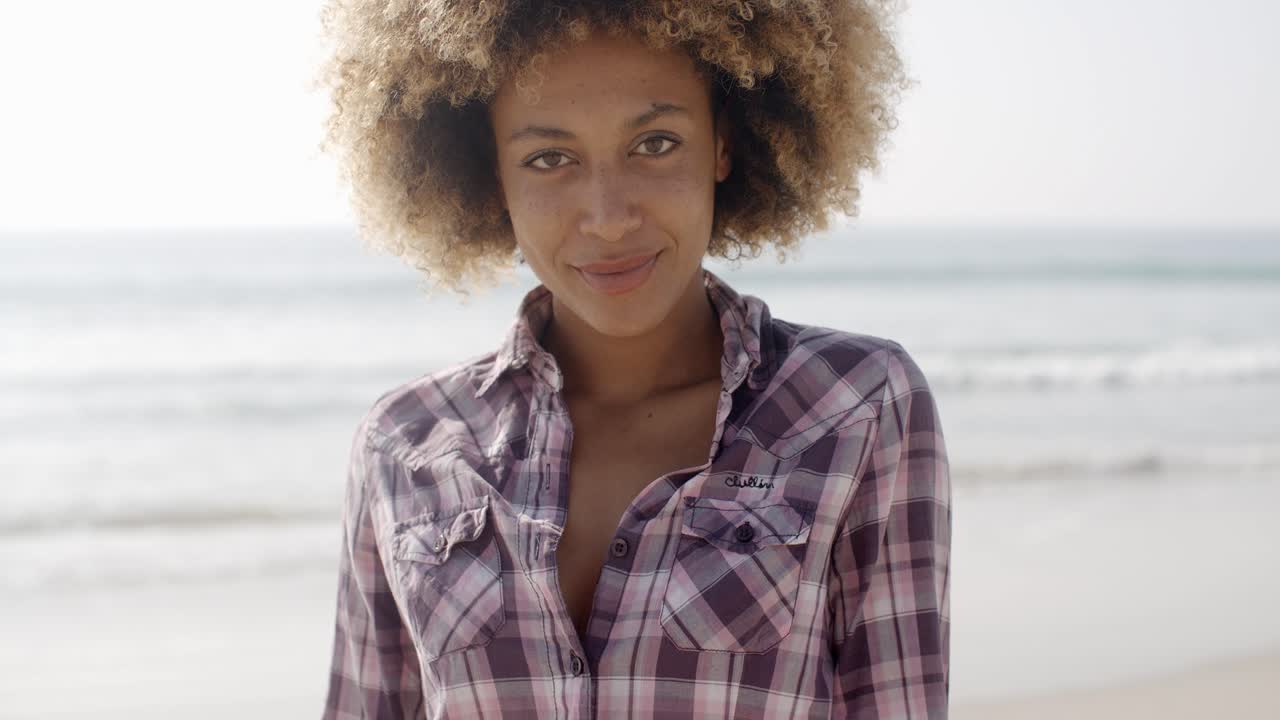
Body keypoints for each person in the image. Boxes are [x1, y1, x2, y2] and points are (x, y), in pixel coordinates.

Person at [316, 1, 950, 717]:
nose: (609, 216)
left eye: (655, 144)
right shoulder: (401, 445)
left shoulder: (856, 406)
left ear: (723, 143)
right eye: (548, 159)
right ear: (493, 177)